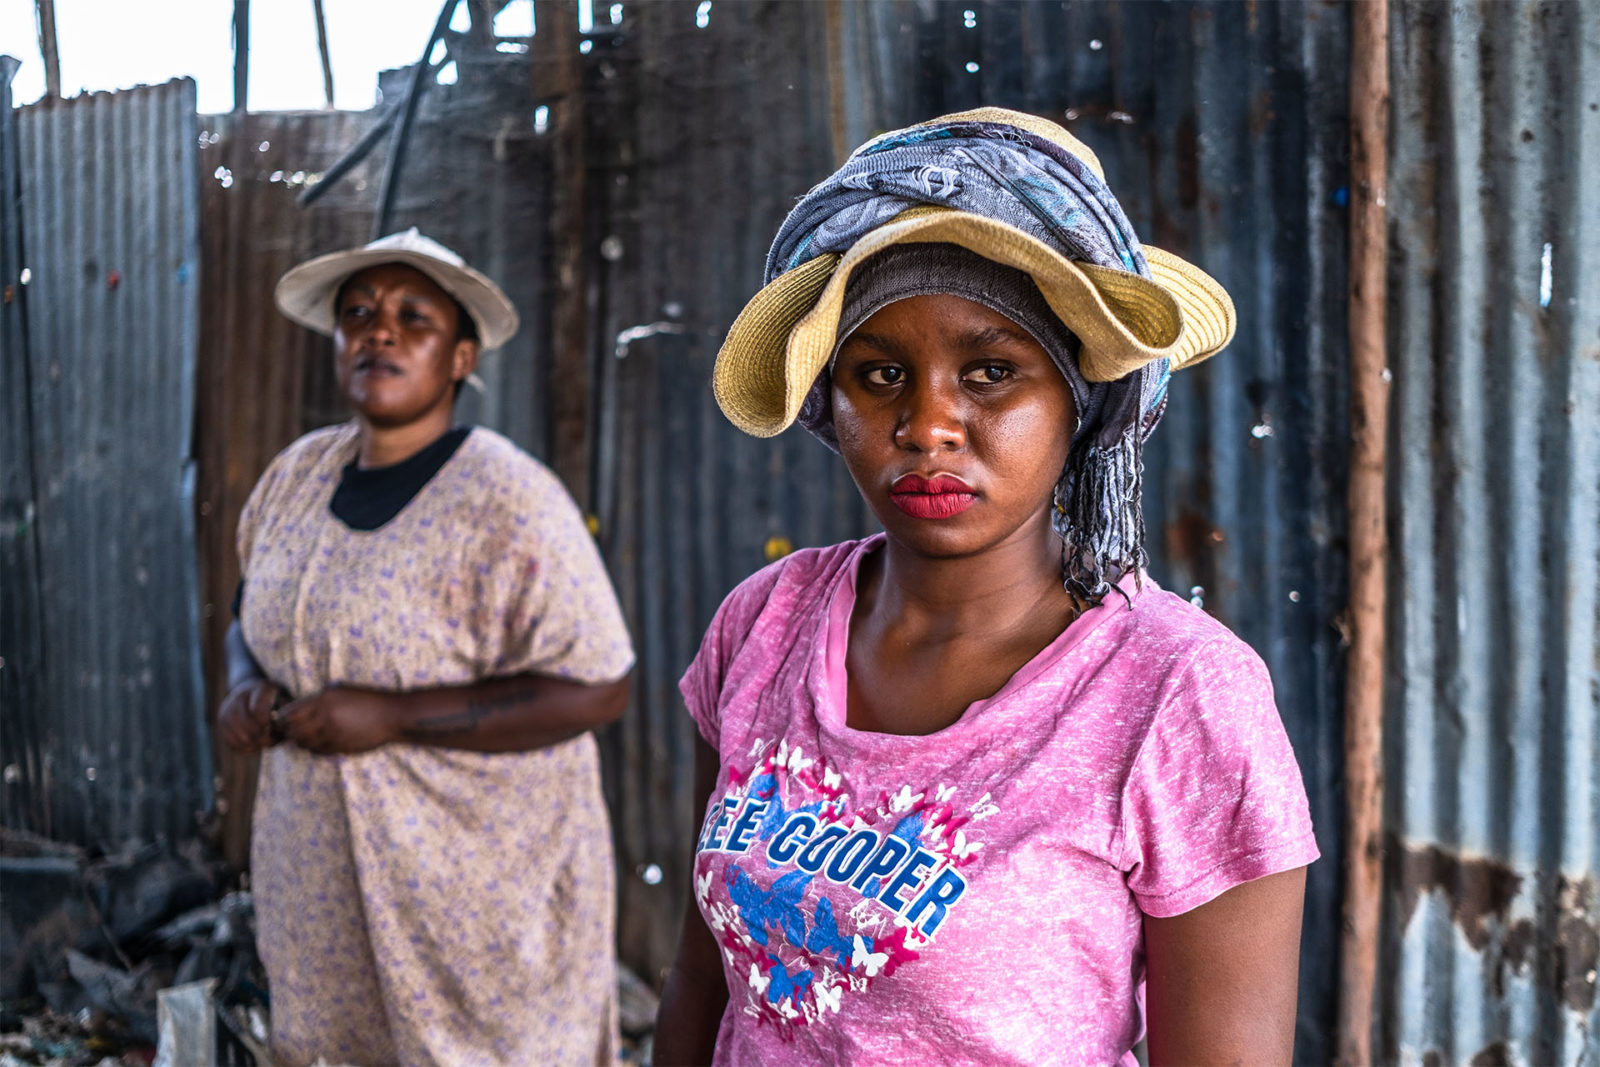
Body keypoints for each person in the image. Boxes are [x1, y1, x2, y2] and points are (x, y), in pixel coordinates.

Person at [653, 109, 1319, 1065]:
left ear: (1078, 404)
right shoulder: (765, 623)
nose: (928, 424)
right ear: (830, 402)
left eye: (992, 372)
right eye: (880, 373)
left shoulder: (1177, 693)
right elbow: (701, 978)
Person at [215, 229, 635, 1066]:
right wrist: (242, 683)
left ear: (459, 359)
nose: (381, 332)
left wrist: (395, 714)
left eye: (415, 319)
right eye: (360, 315)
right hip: (322, 881)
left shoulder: (507, 497)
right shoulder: (297, 475)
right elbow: (244, 613)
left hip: (471, 893)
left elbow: (600, 686)